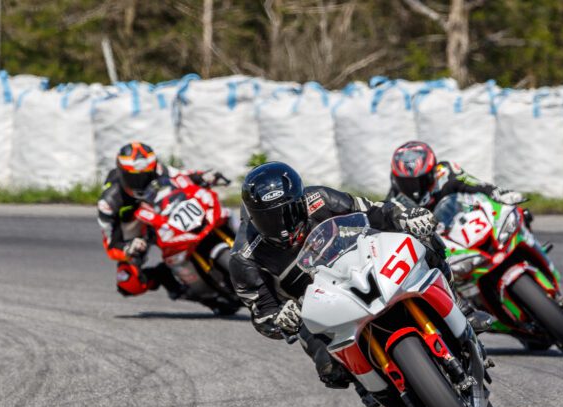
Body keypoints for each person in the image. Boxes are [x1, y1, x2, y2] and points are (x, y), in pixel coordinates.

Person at [229, 161, 446, 389]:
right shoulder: (244, 257)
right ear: (251, 218)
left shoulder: (320, 198)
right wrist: (281, 319)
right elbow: (263, 315)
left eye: (288, 212)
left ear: (301, 201)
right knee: (331, 370)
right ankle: (375, 392)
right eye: (268, 219)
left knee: (423, 241)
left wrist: (405, 216)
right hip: (315, 309)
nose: (282, 226)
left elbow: (374, 210)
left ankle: (459, 305)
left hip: (360, 266)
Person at [97, 141, 214, 298]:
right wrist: (127, 248)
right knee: (128, 283)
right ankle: (162, 276)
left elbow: (183, 175)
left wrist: (203, 176)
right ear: (122, 173)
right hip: (134, 229)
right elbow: (110, 245)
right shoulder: (108, 202)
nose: (141, 183)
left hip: (162, 211)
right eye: (134, 178)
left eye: (147, 176)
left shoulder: (160, 169)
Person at [386, 140, 521, 209]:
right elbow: (384, 214)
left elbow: (476, 184)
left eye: (421, 180)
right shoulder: (396, 192)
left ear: (432, 172)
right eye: (406, 182)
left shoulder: (445, 172)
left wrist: (496, 192)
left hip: (455, 226)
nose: (414, 188)